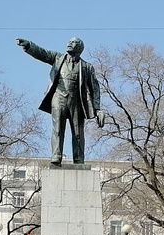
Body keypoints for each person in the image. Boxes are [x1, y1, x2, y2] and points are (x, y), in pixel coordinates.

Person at [16, 36, 104, 166]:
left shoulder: (87, 67)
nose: (69, 43)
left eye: (73, 42)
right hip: (59, 97)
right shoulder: (58, 58)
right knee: (57, 129)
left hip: (77, 101)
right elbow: (42, 53)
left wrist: (97, 109)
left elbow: (95, 88)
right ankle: (56, 156)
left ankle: (79, 159)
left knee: (78, 132)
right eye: (69, 41)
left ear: (80, 48)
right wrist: (29, 45)